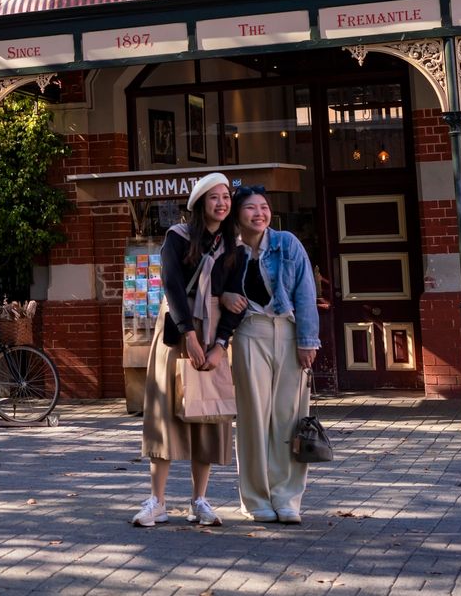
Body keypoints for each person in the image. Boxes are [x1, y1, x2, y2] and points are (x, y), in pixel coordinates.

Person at [133, 172, 246, 528]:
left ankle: (200, 499)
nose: (222, 203)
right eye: (214, 197)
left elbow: (236, 300)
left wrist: (220, 346)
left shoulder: (234, 246)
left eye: (226, 196)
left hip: (213, 335)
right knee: (164, 415)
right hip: (176, 333)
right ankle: (158, 501)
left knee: (208, 416)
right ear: (199, 203)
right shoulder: (177, 238)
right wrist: (190, 337)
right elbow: (172, 286)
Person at [224, 185, 321, 525]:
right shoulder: (226, 249)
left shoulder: (287, 244)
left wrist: (308, 340)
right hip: (250, 332)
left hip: (289, 332)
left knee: (289, 418)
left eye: (264, 207)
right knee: (253, 419)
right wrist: (224, 297)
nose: (259, 213)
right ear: (238, 214)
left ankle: (287, 496)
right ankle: (255, 498)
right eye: (251, 208)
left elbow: (306, 293)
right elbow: (207, 288)